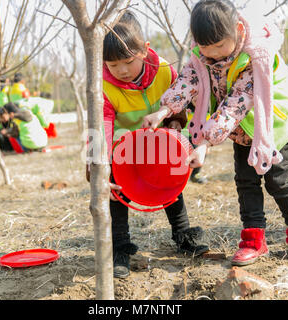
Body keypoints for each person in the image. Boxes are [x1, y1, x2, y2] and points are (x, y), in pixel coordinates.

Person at [143, 0, 288, 266]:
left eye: (219, 46)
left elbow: (234, 106)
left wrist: (204, 144)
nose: (212, 55)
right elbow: (188, 80)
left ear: (236, 29)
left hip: (273, 122)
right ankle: (253, 240)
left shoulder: (255, 56)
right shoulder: (202, 56)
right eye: (205, 48)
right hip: (242, 128)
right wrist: (164, 111)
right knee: (245, 181)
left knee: (278, 180)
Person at [87, 11, 209, 279]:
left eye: (128, 62)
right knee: (117, 194)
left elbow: (178, 99)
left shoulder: (165, 71)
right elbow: (101, 127)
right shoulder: (103, 87)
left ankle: (182, 235)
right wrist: (101, 166)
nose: (121, 70)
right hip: (124, 152)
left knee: (171, 186)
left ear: (144, 50)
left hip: (160, 146)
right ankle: (120, 248)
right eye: (112, 64)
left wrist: (176, 121)